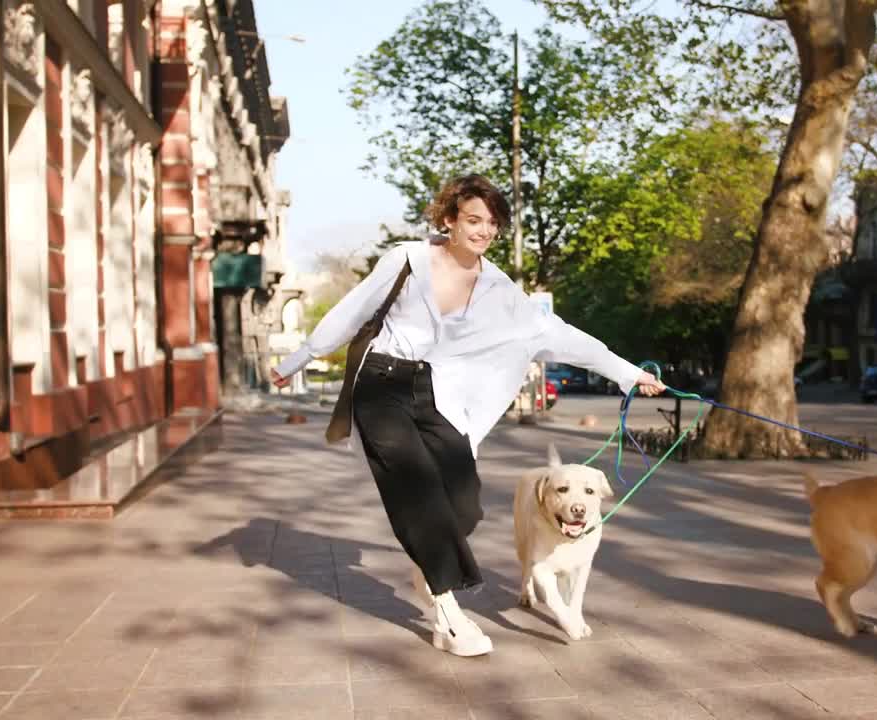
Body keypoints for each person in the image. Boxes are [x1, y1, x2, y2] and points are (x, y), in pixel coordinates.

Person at [270, 174, 665, 656]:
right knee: (414, 487)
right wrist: (297, 360)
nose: (483, 231)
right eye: (474, 219)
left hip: (432, 393)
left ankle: (428, 564)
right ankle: (448, 614)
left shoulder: (498, 289)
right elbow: (352, 313)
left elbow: (559, 335)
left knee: (464, 500)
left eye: (492, 223)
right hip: (379, 385)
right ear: (449, 219)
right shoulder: (407, 261)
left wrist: (629, 374)